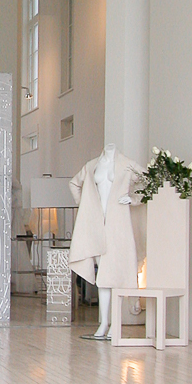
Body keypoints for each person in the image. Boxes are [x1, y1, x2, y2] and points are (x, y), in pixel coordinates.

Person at [68, 144, 142, 338]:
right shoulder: (92, 165)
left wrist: (133, 199)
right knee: (103, 277)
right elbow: (74, 183)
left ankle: (115, 323)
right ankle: (104, 323)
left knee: (116, 275)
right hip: (97, 223)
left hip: (119, 224)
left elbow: (149, 184)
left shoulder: (128, 164)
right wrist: (85, 204)